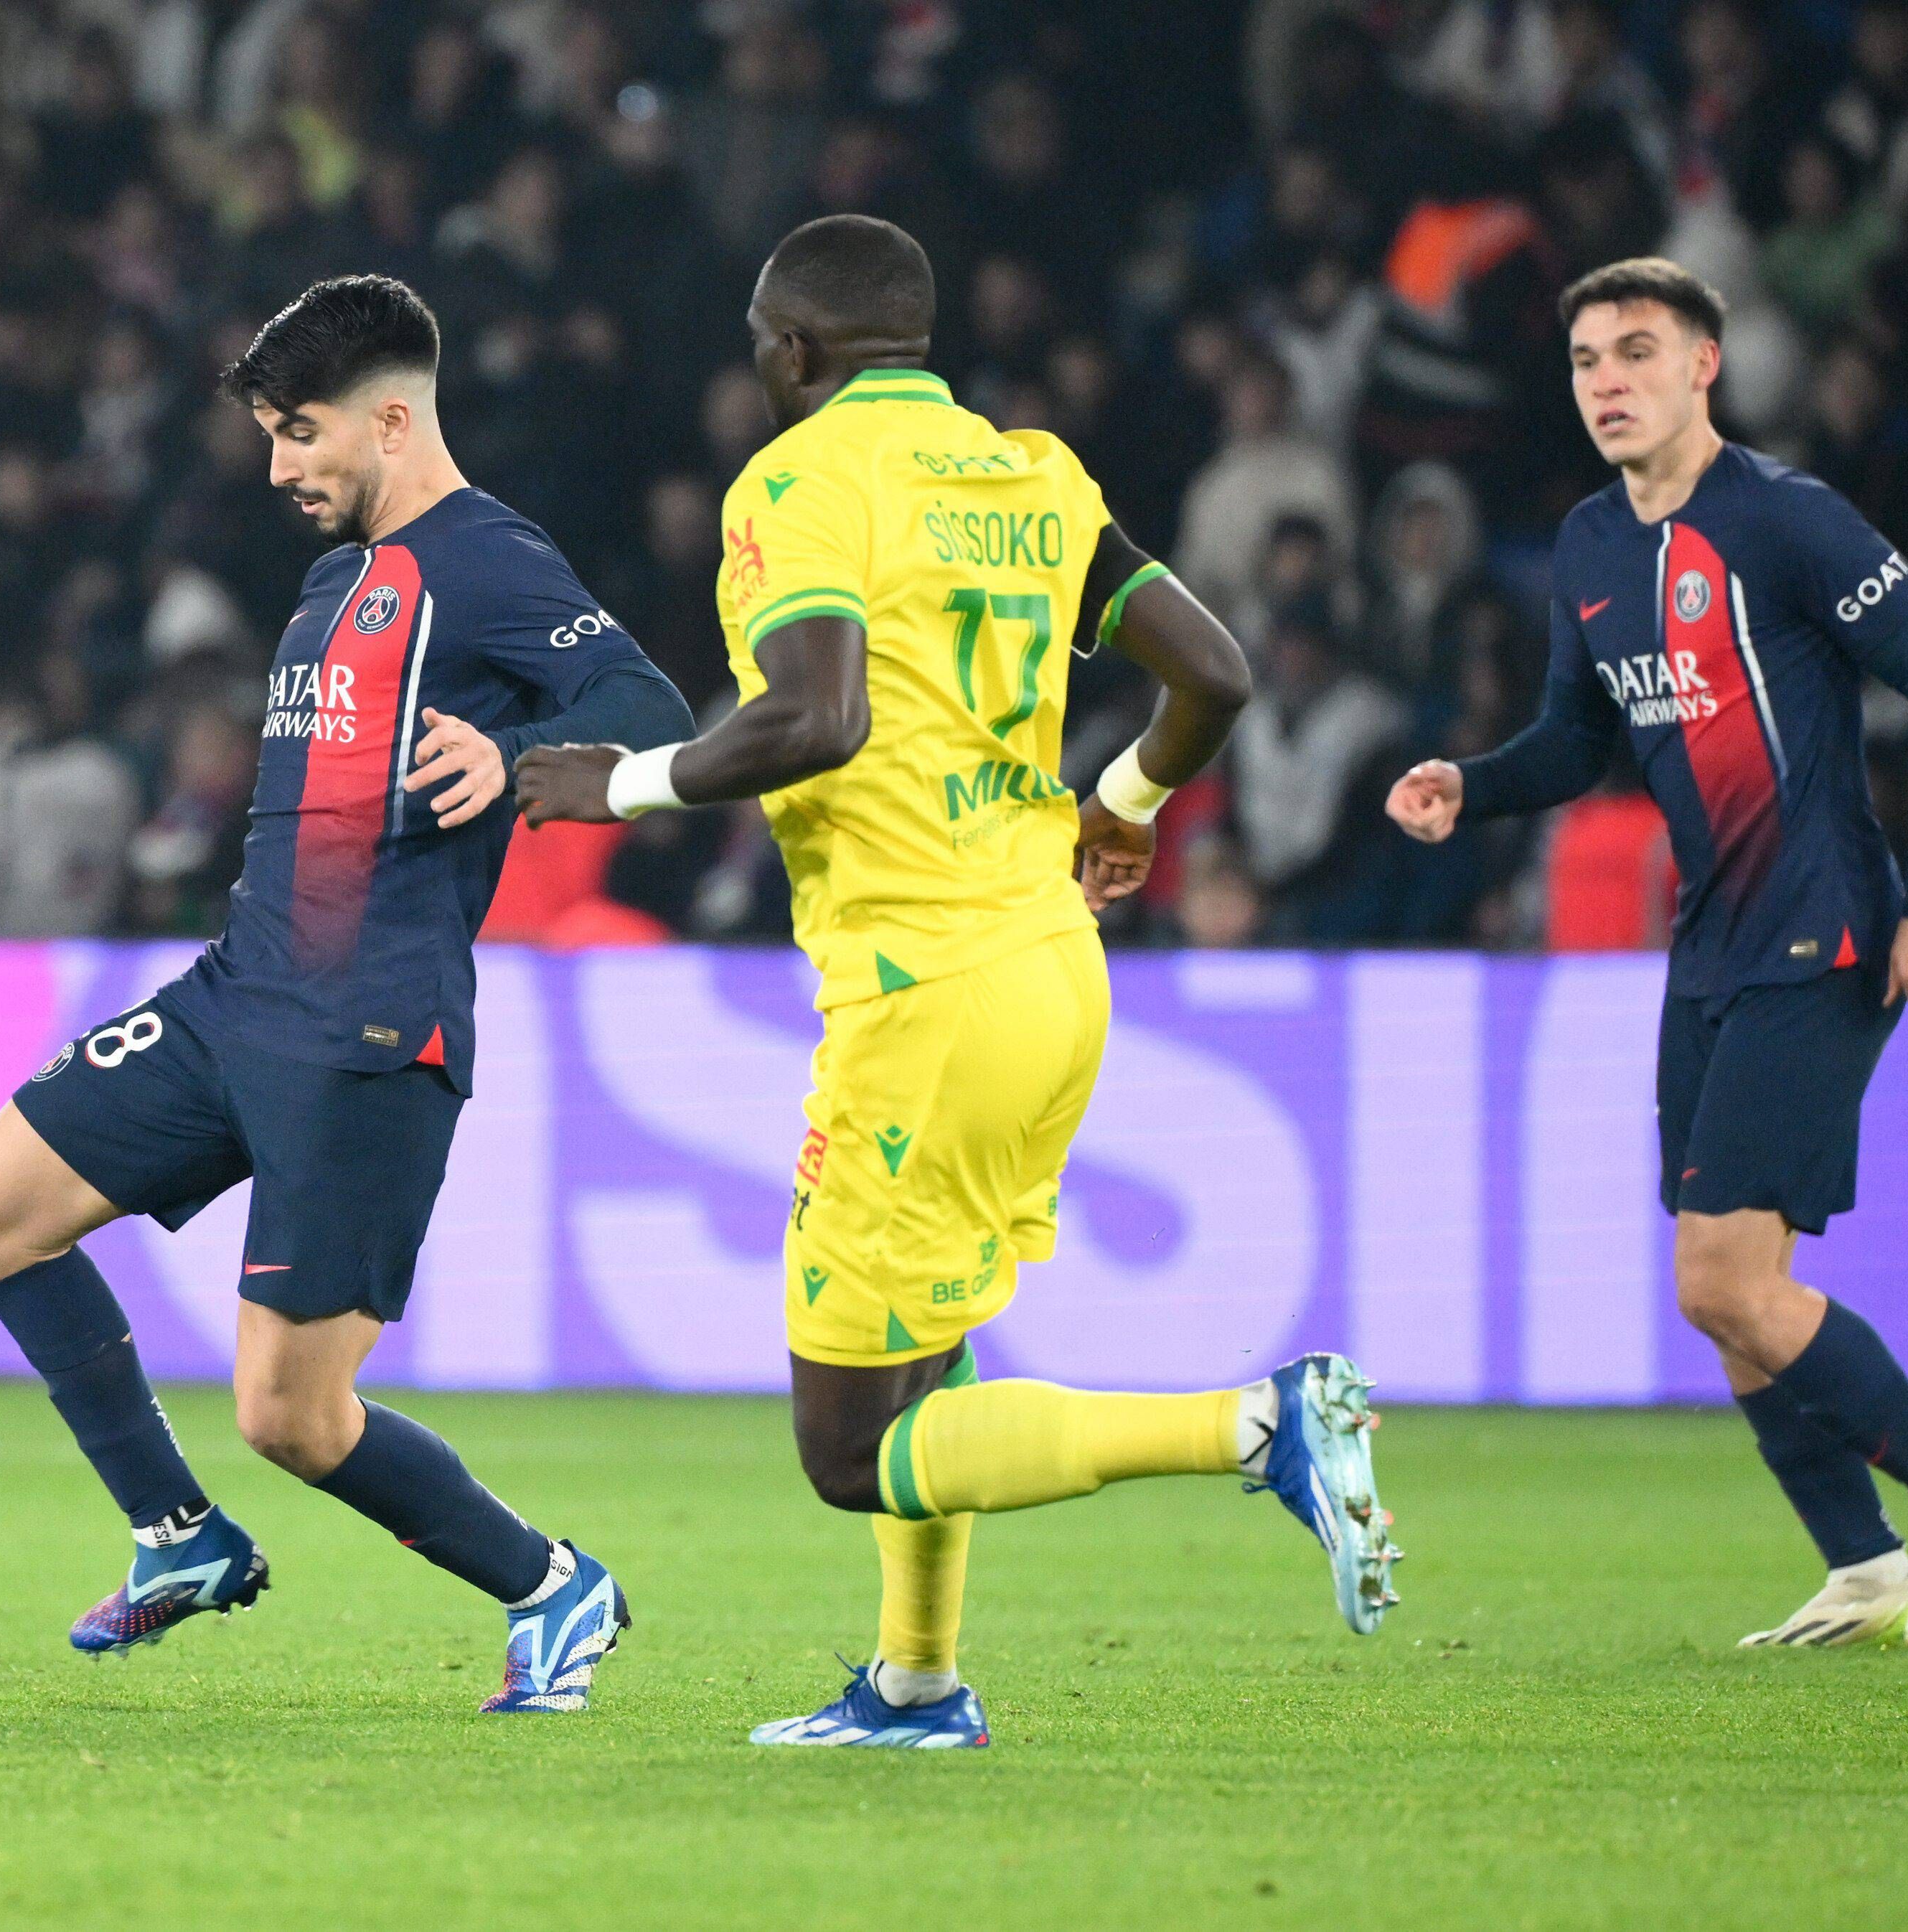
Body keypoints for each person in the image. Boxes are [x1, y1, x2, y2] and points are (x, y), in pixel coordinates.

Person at [516, 215, 1399, 1751]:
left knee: (852, 1447)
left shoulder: (797, 482)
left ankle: (1254, 1427)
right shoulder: (1032, 476)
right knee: (932, 1345)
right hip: (1054, 963)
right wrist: (1122, 795)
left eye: (757, 339)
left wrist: (622, 784)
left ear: (791, 350)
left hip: (923, 990)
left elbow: (814, 716)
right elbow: (1217, 674)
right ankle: (916, 1685)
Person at [0, 277, 693, 1713]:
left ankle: (548, 1581)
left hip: (368, 1032)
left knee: (288, 1412)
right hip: (235, 999)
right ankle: (178, 1533)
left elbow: (653, 712)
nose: (279, 467)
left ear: (391, 419)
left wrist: (519, 766)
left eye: (299, 432)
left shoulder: (491, 558)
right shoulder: (335, 577)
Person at [1386, 258, 1908, 1649]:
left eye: (1636, 351)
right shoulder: (1587, 546)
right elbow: (1580, 737)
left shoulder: (1785, 521)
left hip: (1827, 923)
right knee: (1720, 1290)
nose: (1606, 382)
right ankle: (1860, 1562)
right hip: (1713, 942)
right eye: (1583, 361)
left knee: (1723, 1277)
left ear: (1705, 367)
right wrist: (1472, 781)